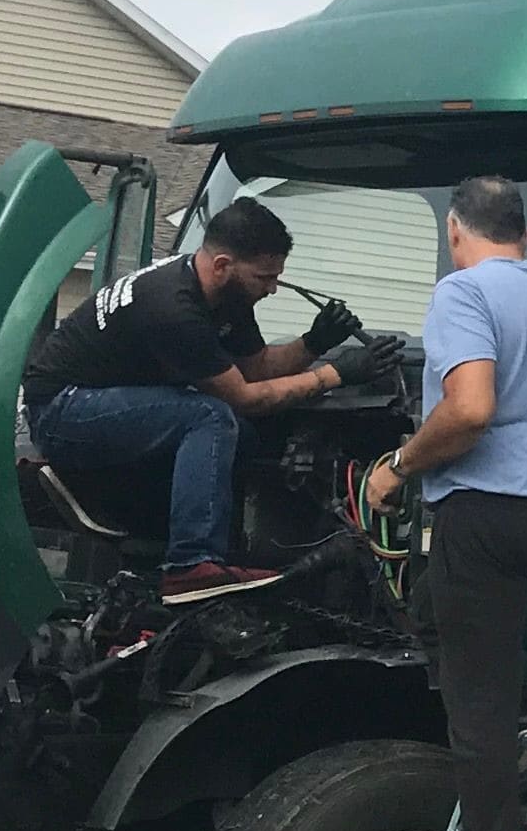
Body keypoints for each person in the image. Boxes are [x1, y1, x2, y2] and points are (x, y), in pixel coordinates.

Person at [365, 175, 527, 831]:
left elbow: (468, 411)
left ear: (455, 232)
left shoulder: (463, 293)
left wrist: (397, 467)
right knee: (438, 612)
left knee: (476, 715)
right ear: (523, 236)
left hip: (490, 513)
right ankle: (522, 724)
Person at [21, 194, 361, 605]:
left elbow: (256, 370)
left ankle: (174, 533)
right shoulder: (173, 308)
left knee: (243, 437)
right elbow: (245, 398)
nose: (272, 289)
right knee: (210, 417)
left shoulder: (224, 295)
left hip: (104, 401)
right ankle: (190, 565)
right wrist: (335, 374)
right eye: (264, 278)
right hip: (61, 410)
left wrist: (316, 341)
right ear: (223, 266)